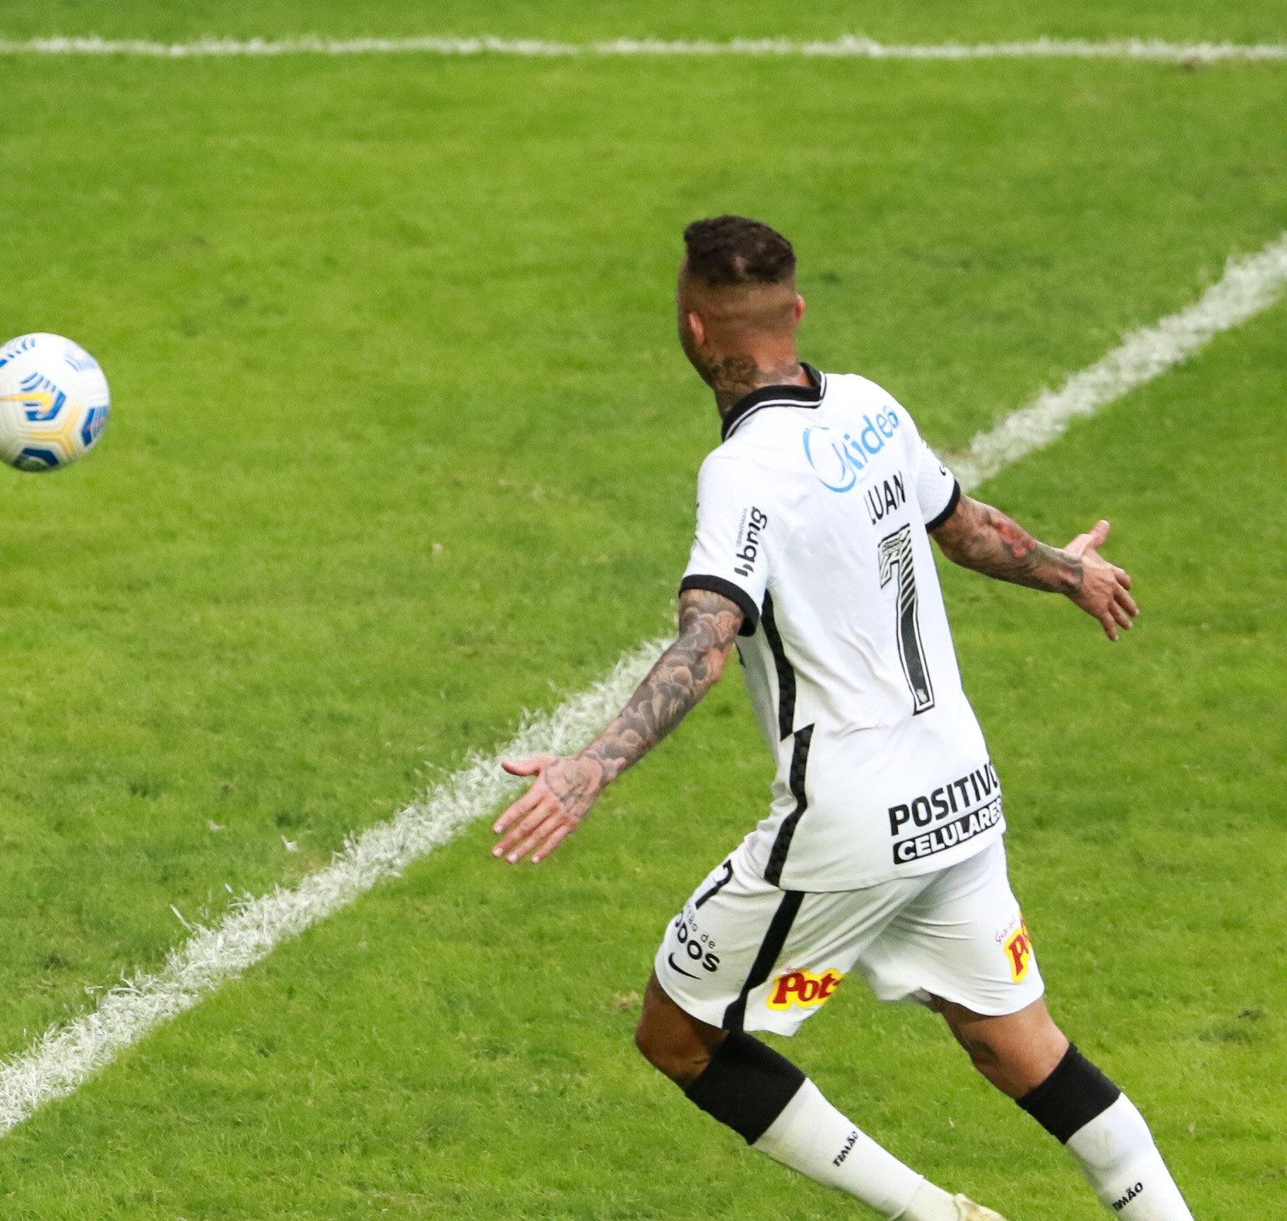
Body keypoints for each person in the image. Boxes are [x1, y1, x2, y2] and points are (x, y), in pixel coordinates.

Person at [491, 217, 1189, 1220]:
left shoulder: (738, 473)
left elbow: (705, 637)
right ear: (797, 314)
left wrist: (590, 767)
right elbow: (969, 529)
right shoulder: (866, 406)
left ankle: (930, 1216)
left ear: (693, 331)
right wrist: (1066, 572)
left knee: (678, 1034)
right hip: (957, 789)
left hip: (848, 816)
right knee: (1015, 1042)